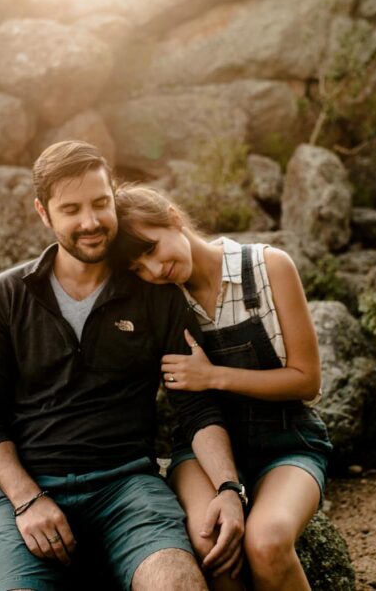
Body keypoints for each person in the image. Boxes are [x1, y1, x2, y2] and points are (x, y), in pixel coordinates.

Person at [0, 142, 248, 591]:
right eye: (71, 209)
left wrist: (229, 489)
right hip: (34, 490)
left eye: (100, 203)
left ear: (114, 197)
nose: (91, 222)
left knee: (178, 585)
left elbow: (195, 407)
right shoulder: (5, 296)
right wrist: (26, 499)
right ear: (44, 213)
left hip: (129, 488)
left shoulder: (154, 293)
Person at [111, 184, 333, 591]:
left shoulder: (270, 267)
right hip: (199, 453)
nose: (154, 270)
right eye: (138, 267)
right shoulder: (160, 302)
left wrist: (213, 375)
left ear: (173, 219)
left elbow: (307, 380)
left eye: (151, 248)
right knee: (212, 546)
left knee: (266, 542)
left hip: (288, 441)